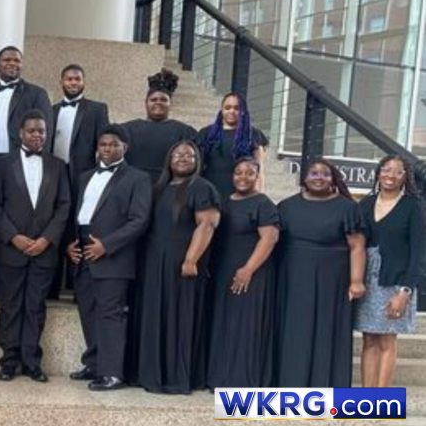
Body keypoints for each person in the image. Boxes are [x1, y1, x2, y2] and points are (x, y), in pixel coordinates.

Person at [67, 125, 152, 391]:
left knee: (110, 315)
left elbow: (139, 220)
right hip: (82, 252)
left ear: (124, 147)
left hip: (113, 257)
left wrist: (107, 245)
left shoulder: (138, 178)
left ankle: (112, 373)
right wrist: (71, 242)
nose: (107, 149)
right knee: (88, 312)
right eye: (103, 145)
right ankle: (94, 364)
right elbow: (79, 213)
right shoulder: (85, 176)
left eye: (113, 144)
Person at [0, 110, 70, 383]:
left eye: (42, 131)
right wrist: (14, 237)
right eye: (32, 130)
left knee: (35, 306)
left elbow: (63, 206)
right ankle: (9, 361)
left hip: (44, 249)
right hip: (11, 249)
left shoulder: (59, 166)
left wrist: (47, 239)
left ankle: (32, 361)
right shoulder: (2, 164)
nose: (38, 135)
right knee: (11, 305)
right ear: (21, 133)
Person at [136, 140, 220, 394]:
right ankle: (152, 374)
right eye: (177, 154)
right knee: (155, 315)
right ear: (169, 159)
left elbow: (206, 225)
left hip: (182, 261)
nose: (183, 158)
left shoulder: (202, 187)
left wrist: (191, 259)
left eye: (189, 155)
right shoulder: (159, 187)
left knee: (178, 317)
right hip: (153, 260)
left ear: (197, 161)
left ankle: (174, 376)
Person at [275, 158, 366, 388]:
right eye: (313, 173)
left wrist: (356, 281)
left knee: (326, 329)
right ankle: (290, 383)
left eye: (324, 174)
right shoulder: (285, 206)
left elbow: (357, 246)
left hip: (332, 277)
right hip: (294, 274)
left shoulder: (348, 207)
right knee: (294, 328)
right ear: (304, 178)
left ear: (333, 179)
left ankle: (325, 385)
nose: (318, 177)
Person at [0, 46, 53, 299]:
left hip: (15, 165)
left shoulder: (36, 93)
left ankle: (11, 282)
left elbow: (44, 132)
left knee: (14, 217)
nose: (12, 64)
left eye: (17, 60)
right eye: (7, 60)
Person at [206, 158, 279, 388]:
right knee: (225, 323)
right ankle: (221, 377)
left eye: (249, 173)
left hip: (251, 273)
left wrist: (248, 269)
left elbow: (270, 238)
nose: (243, 177)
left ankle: (241, 380)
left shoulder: (263, 203)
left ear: (257, 176)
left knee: (245, 325)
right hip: (224, 272)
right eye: (238, 172)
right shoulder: (225, 202)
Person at [355, 156, 424, 387]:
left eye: (397, 171)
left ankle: (381, 401)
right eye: (386, 170)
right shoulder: (365, 204)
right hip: (367, 281)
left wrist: (405, 291)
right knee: (369, 339)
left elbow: (417, 254)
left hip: (395, 283)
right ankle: (365, 400)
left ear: (405, 177)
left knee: (386, 340)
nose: (390, 175)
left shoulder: (412, 207)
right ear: (378, 173)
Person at [49, 64, 110, 298]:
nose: (73, 83)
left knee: (77, 227)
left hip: (82, 177)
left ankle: (76, 286)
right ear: (62, 82)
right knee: (56, 224)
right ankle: (52, 286)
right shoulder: (52, 110)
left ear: (83, 82)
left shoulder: (96, 109)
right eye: (69, 79)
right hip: (54, 176)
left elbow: (103, 143)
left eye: (77, 79)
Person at [197, 92, 269, 198]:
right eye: (227, 107)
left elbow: (259, 169)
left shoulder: (253, 134)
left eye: (237, 108)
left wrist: (259, 197)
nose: (232, 111)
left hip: (241, 193)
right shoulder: (206, 133)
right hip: (209, 192)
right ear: (222, 110)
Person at [122, 88, 197, 184]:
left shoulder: (185, 132)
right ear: (146, 103)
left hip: (169, 187)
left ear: (170, 104)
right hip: (132, 185)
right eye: (153, 99)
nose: (158, 102)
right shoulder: (126, 129)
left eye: (164, 100)